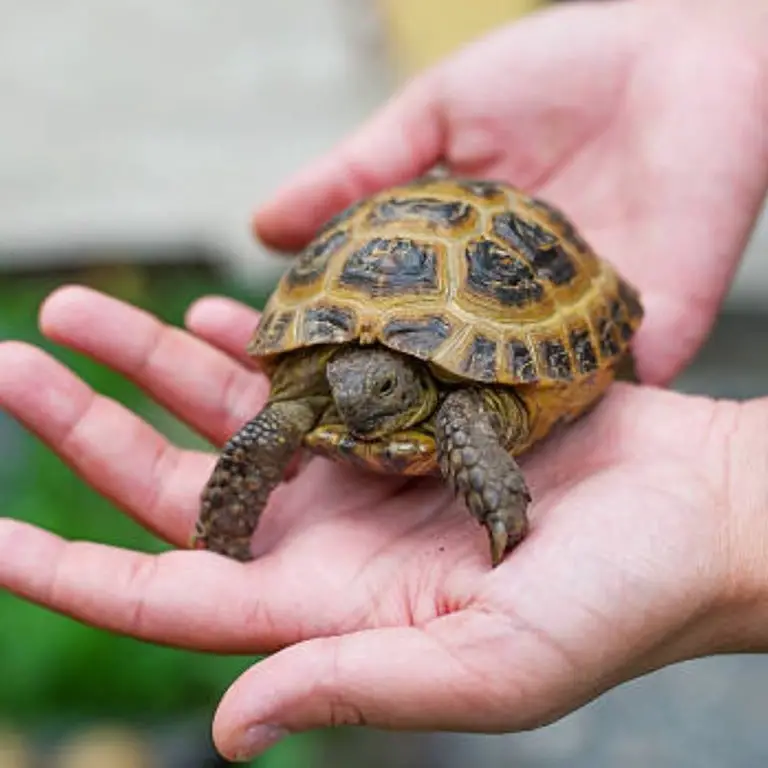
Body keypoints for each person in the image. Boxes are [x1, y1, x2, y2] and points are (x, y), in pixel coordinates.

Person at [1, 0, 767, 762]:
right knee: (276, 423)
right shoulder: (328, 389)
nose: (358, 411)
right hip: (348, 301)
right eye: (345, 391)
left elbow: (466, 418)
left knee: (465, 422)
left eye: (383, 397)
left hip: (496, 306)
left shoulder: (470, 405)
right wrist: (230, 520)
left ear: (411, 387)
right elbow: (277, 424)